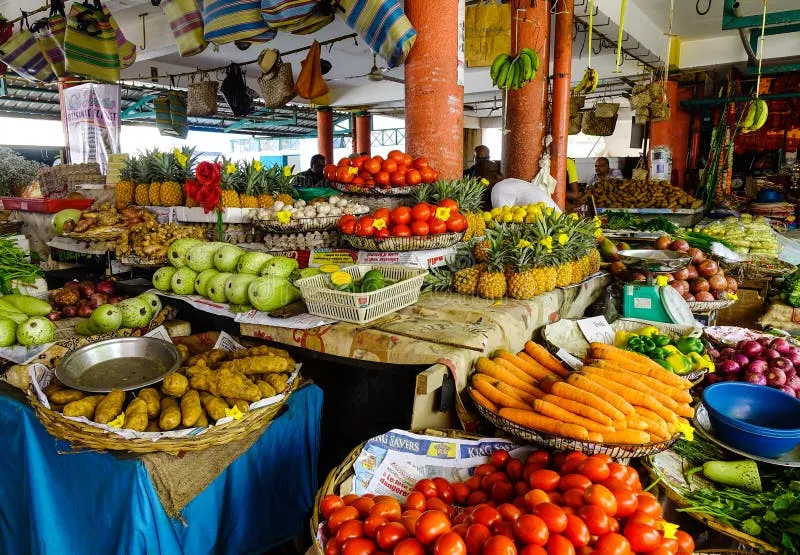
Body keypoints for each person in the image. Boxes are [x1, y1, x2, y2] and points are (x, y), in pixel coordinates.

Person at [490, 178, 560, 212]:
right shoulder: (509, 182)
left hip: (551, 225)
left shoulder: (498, 189)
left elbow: (501, 217)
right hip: (556, 218)